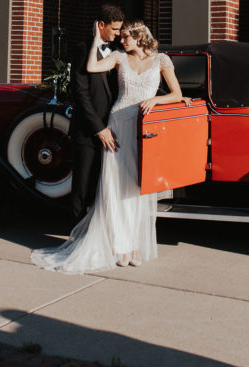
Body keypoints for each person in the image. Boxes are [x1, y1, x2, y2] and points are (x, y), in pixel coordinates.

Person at [31, 20, 188, 274]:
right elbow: (92, 67)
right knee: (115, 187)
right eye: (121, 36)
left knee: (138, 186)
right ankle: (120, 245)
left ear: (139, 38)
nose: (121, 41)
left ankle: (135, 244)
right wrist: (96, 38)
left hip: (144, 128)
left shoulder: (162, 60)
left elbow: (177, 93)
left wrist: (155, 100)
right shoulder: (118, 57)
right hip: (118, 124)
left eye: (126, 37)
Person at [69, 4, 124, 224]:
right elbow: (80, 93)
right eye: (114, 29)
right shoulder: (83, 48)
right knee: (82, 187)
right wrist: (98, 128)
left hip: (112, 129)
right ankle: (75, 236)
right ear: (101, 25)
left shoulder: (118, 50)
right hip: (87, 130)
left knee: (102, 187)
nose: (118, 34)